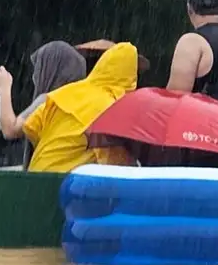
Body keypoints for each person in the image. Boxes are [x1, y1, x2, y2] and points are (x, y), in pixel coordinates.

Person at [11, 41, 139, 172]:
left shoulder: (65, 92)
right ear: (130, 79)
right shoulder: (112, 108)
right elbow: (114, 163)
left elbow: (31, 127)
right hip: (64, 184)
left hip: (36, 175)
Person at [0, 41, 87, 142]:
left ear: (50, 70)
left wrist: (4, 88)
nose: (35, 76)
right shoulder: (83, 101)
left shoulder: (49, 101)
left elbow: (10, 130)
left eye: (40, 68)